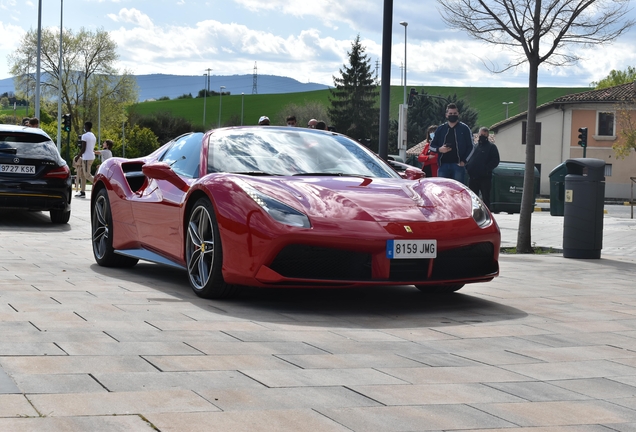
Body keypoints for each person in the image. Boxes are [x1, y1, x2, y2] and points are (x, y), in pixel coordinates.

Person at [429, 103, 474, 183]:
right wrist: (439, 149)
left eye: (454, 113)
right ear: (446, 115)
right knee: (442, 190)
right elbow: (431, 146)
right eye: (450, 113)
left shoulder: (464, 128)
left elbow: (471, 147)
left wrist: (464, 161)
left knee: (457, 191)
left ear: (458, 114)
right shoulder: (441, 129)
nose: (452, 115)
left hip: (458, 165)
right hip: (443, 165)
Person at [466, 127, 500, 210]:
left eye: (485, 135)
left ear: (488, 135)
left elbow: (495, 161)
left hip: (485, 178)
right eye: (481, 134)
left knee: (485, 198)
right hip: (473, 177)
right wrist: (468, 167)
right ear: (478, 134)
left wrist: (485, 169)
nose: (482, 136)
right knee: (473, 198)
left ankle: (486, 214)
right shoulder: (475, 147)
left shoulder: (492, 147)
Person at [76, 121, 96, 198]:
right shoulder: (93, 136)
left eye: (84, 126)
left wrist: (78, 156)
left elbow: (83, 148)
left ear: (86, 127)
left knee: (87, 175)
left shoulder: (84, 136)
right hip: (90, 157)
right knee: (83, 174)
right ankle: (82, 192)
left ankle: (99, 184)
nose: (84, 128)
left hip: (87, 158)